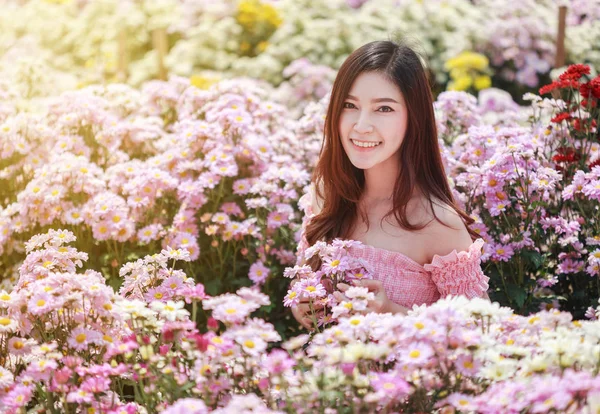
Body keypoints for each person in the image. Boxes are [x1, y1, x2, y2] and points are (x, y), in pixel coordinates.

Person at [291, 39, 490, 330]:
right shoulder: (326, 196)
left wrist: (390, 312)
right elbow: (302, 297)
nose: (361, 125)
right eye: (349, 105)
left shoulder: (436, 222)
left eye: (383, 109)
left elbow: (479, 332)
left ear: (414, 118)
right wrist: (304, 308)